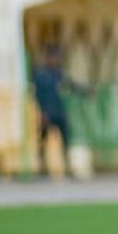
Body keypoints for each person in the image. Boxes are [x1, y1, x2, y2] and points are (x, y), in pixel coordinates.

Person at [32, 45, 77, 178]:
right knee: (43, 139)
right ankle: (42, 167)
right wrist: (42, 112)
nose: (56, 60)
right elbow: (38, 96)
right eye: (53, 57)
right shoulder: (41, 75)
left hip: (58, 111)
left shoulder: (58, 73)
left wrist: (85, 92)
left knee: (65, 139)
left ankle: (68, 166)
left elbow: (71, 85)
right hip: (47, 112)